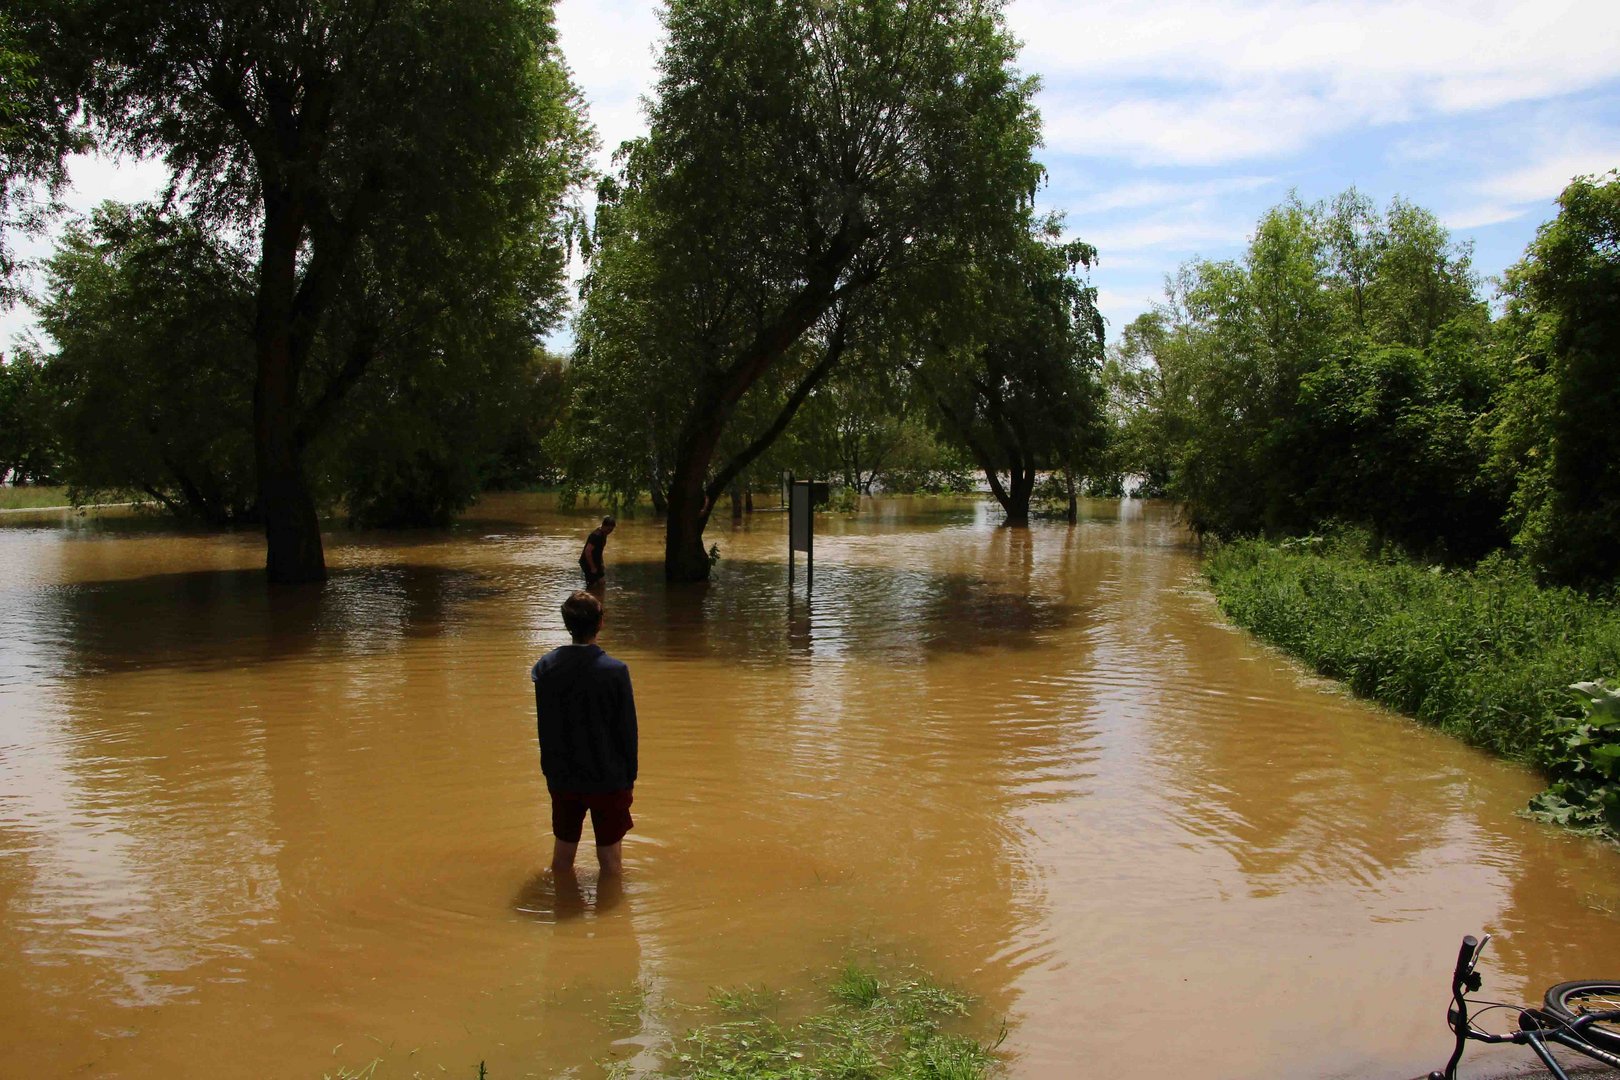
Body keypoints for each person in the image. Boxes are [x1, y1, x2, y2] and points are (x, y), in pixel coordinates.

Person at [530, 590, 637, 876]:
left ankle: (562, 906)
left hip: (563, 774)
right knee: (611, 862)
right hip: (607, 775)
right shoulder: (615, 671)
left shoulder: (545, 668)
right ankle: (612, 916)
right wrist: (629, 777)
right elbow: (627, 730)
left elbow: (545, 725)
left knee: (562, 858)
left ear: (567, 625)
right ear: (601, 622)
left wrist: (550, 770)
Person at [578, 515, 615, 587]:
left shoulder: (604, 534)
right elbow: (588, 551)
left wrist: (601, 563)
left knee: (601, 583)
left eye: (611, 530)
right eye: (609, 529)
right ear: (603, 526)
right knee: (593, 585)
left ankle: (599, 597)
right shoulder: (596, 536)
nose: (609, 532)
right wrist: (592, 567)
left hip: (596, 561)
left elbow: (599, 550)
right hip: (587, 562)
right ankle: (588, 596)